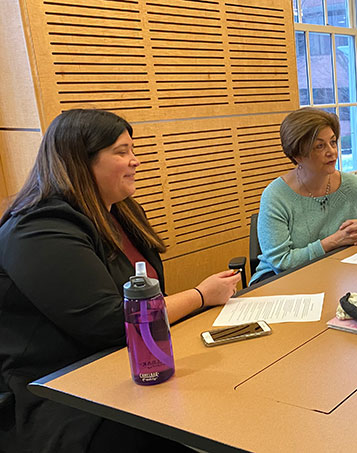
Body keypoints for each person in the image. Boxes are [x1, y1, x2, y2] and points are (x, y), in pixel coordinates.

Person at [0, 109, 241, 452]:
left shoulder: (121, 212)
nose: (135, 161)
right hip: (57, 390)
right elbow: (114, 323)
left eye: (133, 150)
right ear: (81, 162)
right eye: (121, 151)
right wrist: (201, 296)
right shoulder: (38, 228)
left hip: (131, 366)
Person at [250, 108, 357, 283]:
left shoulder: (351, 185)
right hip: (280, 280)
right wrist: (333, 241)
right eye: (320, 146)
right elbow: (281, 262)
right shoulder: (276, 196)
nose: (332, 152)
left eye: (333, 142)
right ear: (298, 155)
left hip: (335, 272)